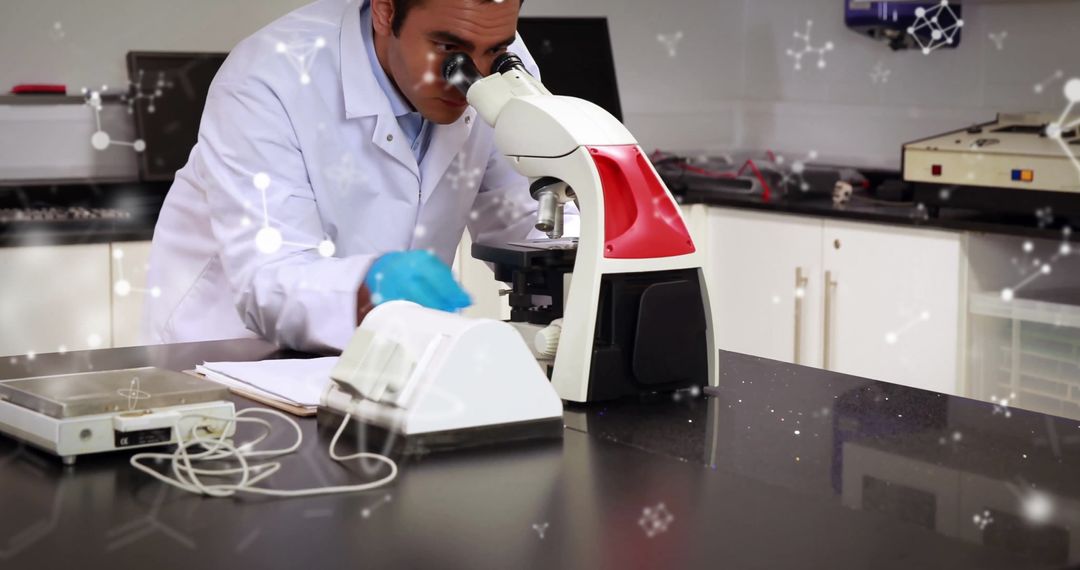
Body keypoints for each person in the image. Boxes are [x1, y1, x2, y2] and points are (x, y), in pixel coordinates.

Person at [143, 0, 544, 353]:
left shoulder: (496, 60)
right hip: (232, 354)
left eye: (494, 50)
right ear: (385, 10)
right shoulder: (268, 78)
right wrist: (365, 288)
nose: (470, 78)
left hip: (387, 358)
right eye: (448, 49)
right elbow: (268, 280)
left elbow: (526, 219)